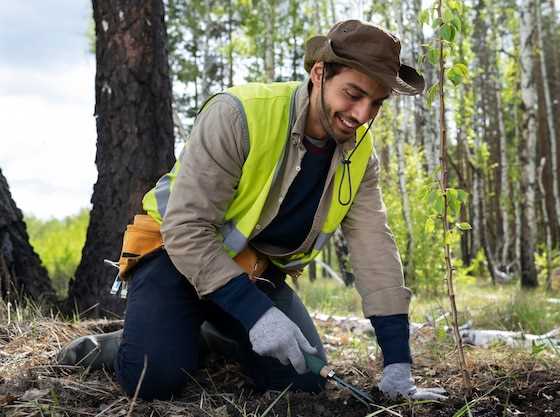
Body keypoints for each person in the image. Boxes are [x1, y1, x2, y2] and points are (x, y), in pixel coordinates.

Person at [58, 19, 448, 402]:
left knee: (303, 380)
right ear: (319, 73)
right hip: (173, 256)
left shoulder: (360, 154)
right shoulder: (238, 114)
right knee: (154, 379)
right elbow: (186, 228)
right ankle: (121, 344)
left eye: (376, 103)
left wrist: (398, 363)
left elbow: (375, 248)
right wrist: (257, 315)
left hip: (251, 272)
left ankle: (212, 333)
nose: (362, 115)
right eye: (353, 94)